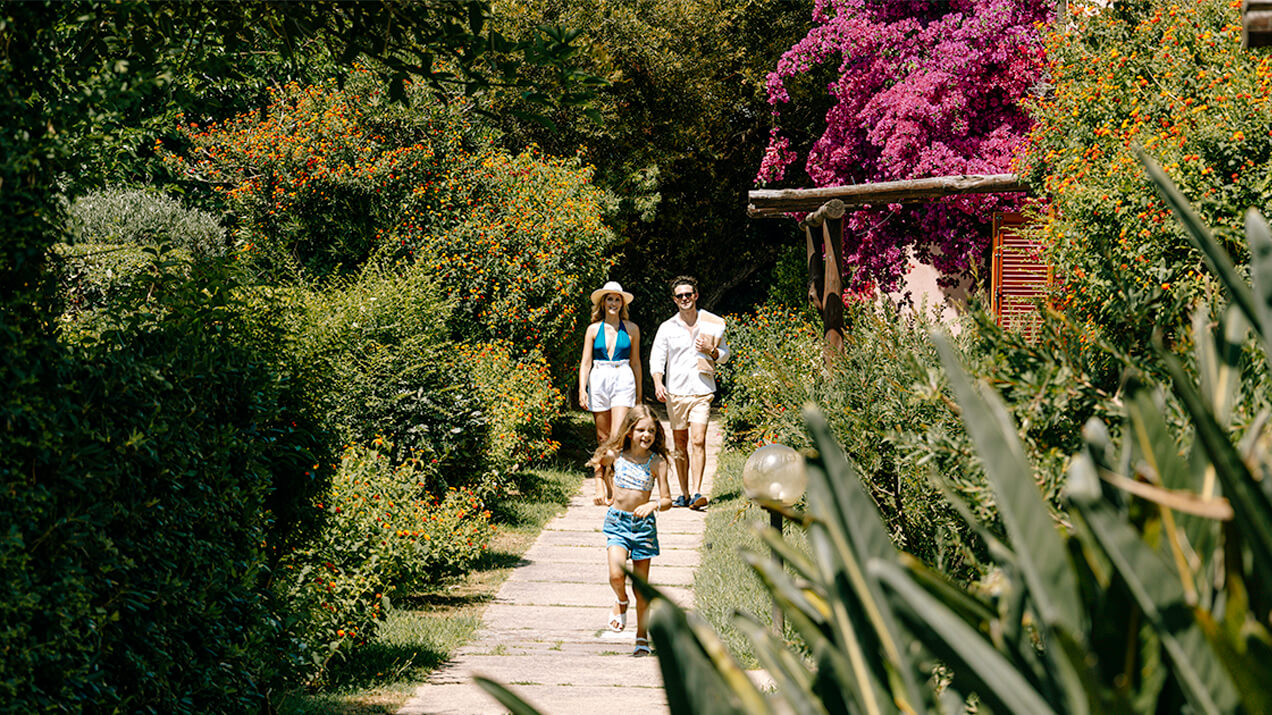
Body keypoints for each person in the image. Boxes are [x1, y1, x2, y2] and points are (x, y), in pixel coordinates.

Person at [588, 405, 672, 657]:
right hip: (617, 523)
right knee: (616, 575)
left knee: (641, 588)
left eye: (652, 431)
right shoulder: (617, 455)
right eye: (641, 430)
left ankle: (641, 637)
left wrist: (653, 503)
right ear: (629, 431)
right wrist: (600, 489)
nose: (646, 435)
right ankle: (621, 600)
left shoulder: (657, 462)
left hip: (643, 528)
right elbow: (598, 464)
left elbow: (667, 499)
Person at [649, 276, 729, 510]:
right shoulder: (667, 327)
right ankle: (682, 493)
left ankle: (696, 492)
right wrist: (658, 382)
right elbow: (657, 358)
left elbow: (725, 355)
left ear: (696, 296)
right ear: (675, 300)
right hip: (676, 392)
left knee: (698, 440)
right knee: (680, 443)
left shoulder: (712, 324)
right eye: (680, 295)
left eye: (688, 294)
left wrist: (710, 349)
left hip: (702, 390)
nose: (685, 298)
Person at [577, 280, 643, 455]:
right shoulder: (593, 329)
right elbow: (585, 362)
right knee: (603, 437)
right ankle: (603, 478)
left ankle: (616, 478)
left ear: (622, 304)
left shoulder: (632, 329)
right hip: (599, 377)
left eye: (617, 299)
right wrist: (582, 389)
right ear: (603, 303)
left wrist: (639, 393)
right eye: (610, 299)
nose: (613, 303)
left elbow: (635, 362)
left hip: (623, 376)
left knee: (617, 435)